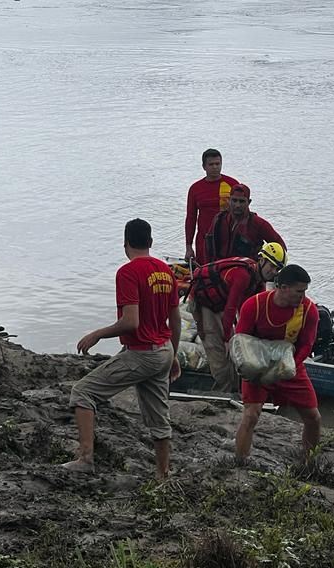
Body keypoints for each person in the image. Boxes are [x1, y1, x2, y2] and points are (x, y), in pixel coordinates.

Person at [65, 218, 182, 477]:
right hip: (163, 350)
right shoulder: (166, 271)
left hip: (142, 353)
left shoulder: (128, 272)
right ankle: (163, 475)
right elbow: (175, 320)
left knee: (82, 393)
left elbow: (131, 322)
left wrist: (97, 334)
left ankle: (85, 459)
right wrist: (173, 355)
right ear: (150, 242)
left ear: (125, 243)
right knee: (159, 418)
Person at [233, 264, 321, 464]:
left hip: (288, 366)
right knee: (251, 415)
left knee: (313, 417)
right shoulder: (254, 305)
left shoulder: (309, 310)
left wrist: (288, 368)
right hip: (258, 365)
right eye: (299, 291)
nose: (303, 296)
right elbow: (240, 341)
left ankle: (309, 462)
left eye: (305, 291)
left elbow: (306, 345)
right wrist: (246, 369)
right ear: (282, 287)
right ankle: (239, 462)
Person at [188, 242, 286, 393]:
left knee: (235, 354)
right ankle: (221, 393)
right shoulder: (243, 276)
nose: (273, 271)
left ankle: (236, 389)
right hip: (204, 304)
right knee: (219, 352)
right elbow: (231, 308)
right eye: (271, 266)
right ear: (261, 260)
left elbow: (253, 311)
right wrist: (227, 339)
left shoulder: (259, 280)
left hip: (221, 303)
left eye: (277, 269)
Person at [203, 184, 285, 263]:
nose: (237, 205)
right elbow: (208, 247)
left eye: (241, 201)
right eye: (234, 200)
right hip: (219, 270)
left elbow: (281, 248)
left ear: (249, 202)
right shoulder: (219, 220)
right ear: (229, 200)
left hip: (248, 271)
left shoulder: (259, 224)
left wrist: (265, 267)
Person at [184, 149, 240, 265]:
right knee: (205, 273)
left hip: (227, 239)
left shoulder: (232, 184)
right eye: (211, 164)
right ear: (204, 166)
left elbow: (242, 213)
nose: (215, 167)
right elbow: (191, 218)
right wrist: (189, 247)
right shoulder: (195, 188)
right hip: (204, 240)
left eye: (217, 164)